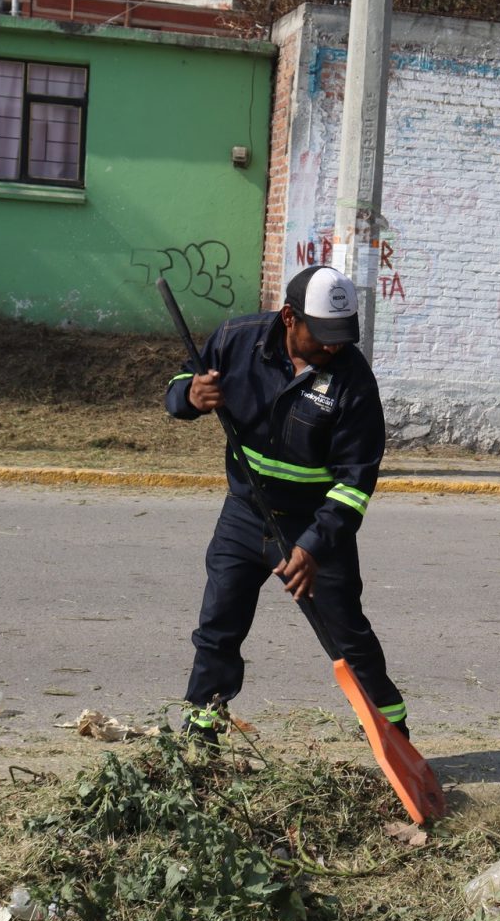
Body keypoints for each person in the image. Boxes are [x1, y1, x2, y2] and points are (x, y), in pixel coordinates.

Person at [165, 265, 409, 743]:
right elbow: (182, 381)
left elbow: (355, 484)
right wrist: (189, 396)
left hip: (313, 523)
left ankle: (393, 735)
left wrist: (314, 547)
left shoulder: (354, 382)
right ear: (289, 318)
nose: (334, 347)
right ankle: (202, 730)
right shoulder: (238, 339)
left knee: (347, 637)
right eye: (323, 336)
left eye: (342, 336)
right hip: (244, 512)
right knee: (219, 625)